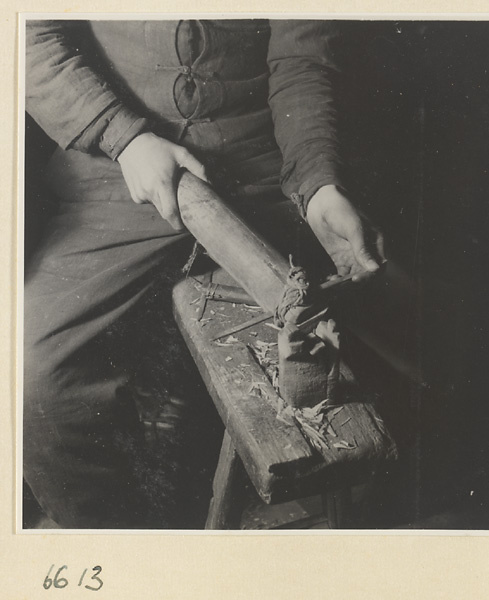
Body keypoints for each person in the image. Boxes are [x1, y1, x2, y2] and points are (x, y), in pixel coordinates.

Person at [24, 18, 384, 529]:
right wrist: (125, 138)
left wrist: (318, 182)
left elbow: (301, 63)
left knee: (372, 357)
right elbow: (26, 33)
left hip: (262, 177)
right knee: (36, 381)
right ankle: (123, 556)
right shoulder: (117, 147)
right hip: (114, 170)